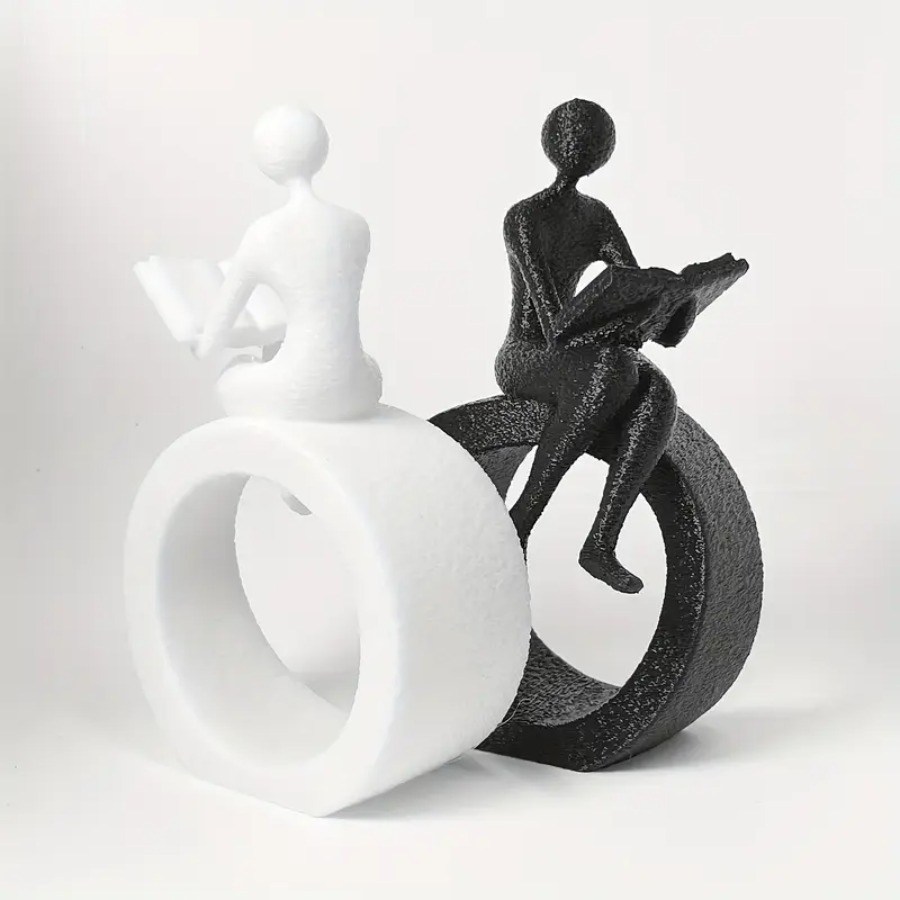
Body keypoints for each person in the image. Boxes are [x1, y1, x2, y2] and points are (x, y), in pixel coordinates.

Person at [496, 99, 682, 594]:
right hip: (527, 354)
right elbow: (554, 322)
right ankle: (522, 518)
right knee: (613, 369)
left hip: (579, 352)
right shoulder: (525, 217)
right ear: (553, 144)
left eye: (595, 141)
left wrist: (673, 298)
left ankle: (601, 540)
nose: (585, 149)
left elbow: (631, 286)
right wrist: (616, 321)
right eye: (578, 139)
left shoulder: (597, 216)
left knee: (657, 393)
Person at [195, 106, 382, 421]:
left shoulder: (264, 233)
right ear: (322, 150)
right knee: (368, 365)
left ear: (265, 157)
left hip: (302, 387)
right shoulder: (356, 226)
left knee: (231, 376)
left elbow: (211, 342)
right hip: (360, 386)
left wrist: (197, 339)